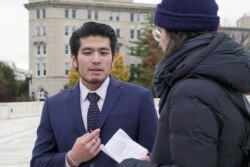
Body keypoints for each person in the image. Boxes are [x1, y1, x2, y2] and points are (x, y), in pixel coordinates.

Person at [119, 0, 250, 167]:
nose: (159, 43)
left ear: (175, 35)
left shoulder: (191, 93)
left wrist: (130, 165)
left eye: (160, 33)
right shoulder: (223, 80)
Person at [30, 21, 158, 167]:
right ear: (74, 60)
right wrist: (71, 158)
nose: (96, 60)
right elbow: (38, 162)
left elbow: (157, 155)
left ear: (113, 59)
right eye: (87, 52)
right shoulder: (53, 106)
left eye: (103, 53)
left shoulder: (139, 99)